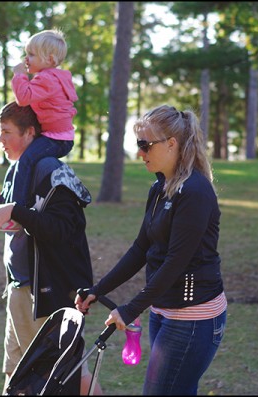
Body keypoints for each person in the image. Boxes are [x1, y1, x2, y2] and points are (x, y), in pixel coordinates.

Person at [75, 104, 227, 395]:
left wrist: (131, 308)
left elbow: (176, 262)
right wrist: (99, 288)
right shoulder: (160, 188)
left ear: (172, 144)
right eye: (138, 144)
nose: (140, 153)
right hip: (164, 311)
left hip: (193, 318)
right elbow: (141, 247)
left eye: (145, 145)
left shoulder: (195, 191)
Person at [0, 102, 101, 395]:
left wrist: (13, 209)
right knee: (16, 373)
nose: (1, 140)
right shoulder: (15, 169)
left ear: (30, 133)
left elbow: (61, 230)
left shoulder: (51, 170)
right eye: (0, 132)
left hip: (46, 293)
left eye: (7, 132)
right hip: (18, 290)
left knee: (64, 376)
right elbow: (18, 224)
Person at [0, 28, 78, 232]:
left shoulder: (46, 78)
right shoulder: (57, 77)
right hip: (58, 135)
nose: (26, 59)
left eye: (31, 54)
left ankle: (16, 213)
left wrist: (19, 76)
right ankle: (3, 202)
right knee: (18, 163)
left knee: (26, 161)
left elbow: (23, 97)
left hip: (56, 138)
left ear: (49, 59)